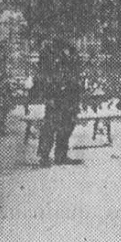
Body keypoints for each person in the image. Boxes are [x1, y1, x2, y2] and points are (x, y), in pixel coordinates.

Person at [34, 38, 83, 166]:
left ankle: (61, 155)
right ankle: (44, 157)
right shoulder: (50, 51)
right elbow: (43, 75)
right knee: (50, 126)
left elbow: (76, 73)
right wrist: (48, 95)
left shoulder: (73, 52)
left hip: (70, 96)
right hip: (55, 95)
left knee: (67, 126)